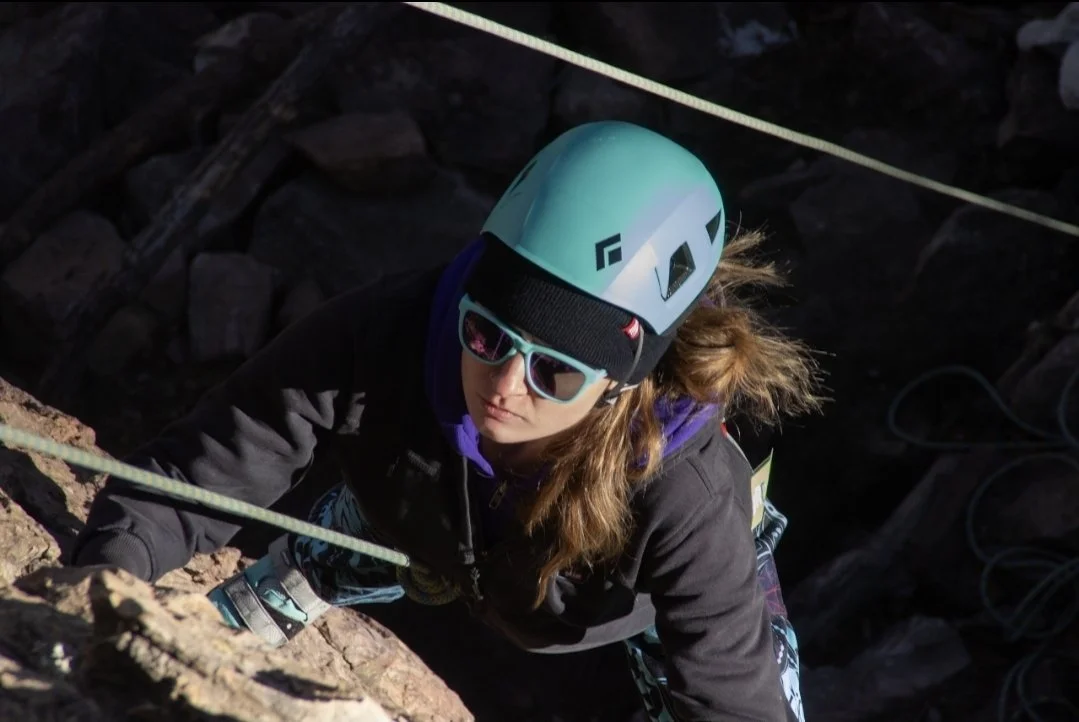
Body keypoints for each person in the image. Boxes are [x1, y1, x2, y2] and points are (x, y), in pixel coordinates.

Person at [70, 120, 822, 721]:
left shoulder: (686, 488)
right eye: (487, 335)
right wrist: (93, 594)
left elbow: (728, 696)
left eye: (553, 370)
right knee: (385, 500)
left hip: (624, 605)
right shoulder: (385, 332)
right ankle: (319, 561)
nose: (503, 384)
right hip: (425, 511)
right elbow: (197, 472)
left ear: (619, 385)